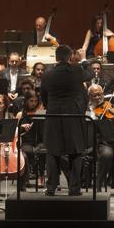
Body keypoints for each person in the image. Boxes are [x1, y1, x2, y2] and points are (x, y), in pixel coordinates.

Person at [40, 45, 93, 196]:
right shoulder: (76, 70)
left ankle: (51, 188)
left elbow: (43, 95)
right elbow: (89, 75)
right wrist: (84, 60)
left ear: (56, 57)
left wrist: (50, 106)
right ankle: (74, 188)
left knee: (52, 151)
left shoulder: (48, 73)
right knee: (76, 151)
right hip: (73, 115)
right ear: (70, 57)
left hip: (53, 115)